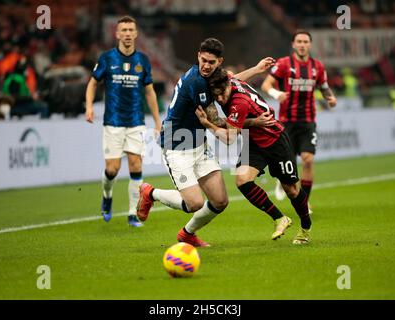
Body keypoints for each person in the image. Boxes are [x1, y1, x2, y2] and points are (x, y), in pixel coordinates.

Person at [136, 38, 275, 246]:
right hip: (177, 146)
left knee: (220, 201)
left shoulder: (211, 77)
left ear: (219, 62)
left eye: (211, 62)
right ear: (198, 57)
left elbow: (230, 82)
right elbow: (216, 121)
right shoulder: (196, 83)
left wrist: (256, 69)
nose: (206, 66)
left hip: (199, 144)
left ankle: (187, 234)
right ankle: (150, 193)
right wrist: (253, 122)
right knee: (194, 203)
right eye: (203, 60)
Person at [196, 67, 312, 244]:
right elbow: (236, 76)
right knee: (242, 180)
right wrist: (257, 69)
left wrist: (207, 123)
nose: (219, 99)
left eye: (221, 94)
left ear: (228, 86)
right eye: (216, 95)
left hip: (275, 140)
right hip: (255, 142)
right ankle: (280, 218)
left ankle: (305, 227)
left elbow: (230, 138)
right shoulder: (228, 80)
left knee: (292, 190)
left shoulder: (238, 103)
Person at [85, 15, 162, 227]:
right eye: (124, 30)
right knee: (112, 169)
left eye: (131, 30)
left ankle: (132, 213)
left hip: (136, 122)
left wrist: (156, 122)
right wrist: (89, 107)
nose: (127, 34)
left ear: (136, 34)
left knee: (136, 165)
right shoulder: (107, 58)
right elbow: (92, 83)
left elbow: (150, 93)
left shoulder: (143, 61)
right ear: (117, 34)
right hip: (113, 122)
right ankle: (107, 196)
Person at [261, 30, 337, 212]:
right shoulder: (284, 64)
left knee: (308, 160)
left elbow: (324, 87)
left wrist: (330, 98)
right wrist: (276, 93)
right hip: (287, 122)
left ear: (310, 45)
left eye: (305, 41)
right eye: (299, 41)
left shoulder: (317, 67)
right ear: (294, 44)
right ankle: (283, 180)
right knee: (289, 163)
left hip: (308, 121)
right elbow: (266, 85)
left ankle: (305, 201)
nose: (302, 44)